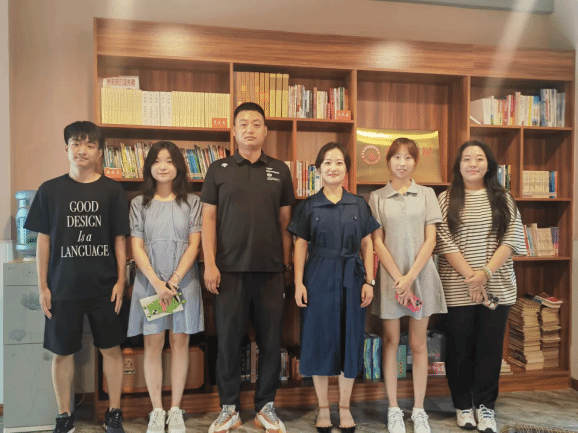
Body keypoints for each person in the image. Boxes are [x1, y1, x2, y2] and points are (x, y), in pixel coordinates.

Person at [24, 121, 129, 433]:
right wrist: (43, 285)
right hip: (62, 287)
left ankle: (114, 413)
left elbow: (119, 240)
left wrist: (121, 280)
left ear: (99, 152)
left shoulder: (113, 191)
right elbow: (43, 241)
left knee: (111, 349)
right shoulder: (49, 190)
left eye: (89, 145)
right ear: (66, 149)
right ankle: (64, 416)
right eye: (76, 144)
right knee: (62, 353)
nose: (82, 150)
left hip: (105, 287)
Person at [201, 102, 295, 433]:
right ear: (234, 131)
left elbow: (286, 223)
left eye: (256, 124)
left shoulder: (280, 170)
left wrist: (286, 266)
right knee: (228, 341)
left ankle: (265, 407)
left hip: (271, 272)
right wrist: (210, 264)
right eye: (243, 124)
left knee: (271, 342)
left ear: (266, 131)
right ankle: (229, 408)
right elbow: (208, 219)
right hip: (228, 272)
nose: (250, 129)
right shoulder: (219, 169)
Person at [435, 140, 526, 433]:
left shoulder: (504, 198)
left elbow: (511, 239)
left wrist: (484, 275)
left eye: (479, 158)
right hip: (457, 287)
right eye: (466, 159)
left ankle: (486, 408)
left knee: (490, 349)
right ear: (458, 165)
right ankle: (463, 405)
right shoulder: (446, 199)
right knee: (459, 349)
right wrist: (471, 278)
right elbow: (443, 241)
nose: (472, 164)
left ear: (489, 165)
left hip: (497, 285)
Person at [288, 142, 380, 433]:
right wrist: (299, 283)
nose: (333, 168)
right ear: (318, 169)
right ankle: (323, 407)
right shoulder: (308, 206)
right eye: (327, 162)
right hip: (318, 277)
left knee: (349, 338)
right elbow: (300, 246)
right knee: (319, 339)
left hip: (352, 278)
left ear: (346, 170)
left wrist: (369, 281)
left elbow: (367, 243)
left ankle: (344, 406)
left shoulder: (358, 204)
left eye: (339, 162)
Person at [368, 138, 447, 433]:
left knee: (418, 343)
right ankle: (393, 409)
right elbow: (377, 242)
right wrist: (398, 279)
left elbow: (431, 240)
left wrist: (410, 277)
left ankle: (419, 410)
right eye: (397, 157)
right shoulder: (376, 197)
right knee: (390, 341)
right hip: (391, 279)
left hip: (420, 276)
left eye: (408, 157)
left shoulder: (427, 194)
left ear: (416, 161)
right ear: (388, 161)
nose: (402, 163)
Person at [127, 141, 204, 433]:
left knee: (180, 342)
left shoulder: (193, 202)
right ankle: (157, 410)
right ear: (149, 166)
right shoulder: (139, 203)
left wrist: (173, 280)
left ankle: (176, 409)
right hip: (151, 283)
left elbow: (194, 244)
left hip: (183, 281)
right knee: (153, 343)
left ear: (178, 167)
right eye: (157, 161)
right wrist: (158, 283)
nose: (163, 166)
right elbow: (136, 247)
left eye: (169, 161)